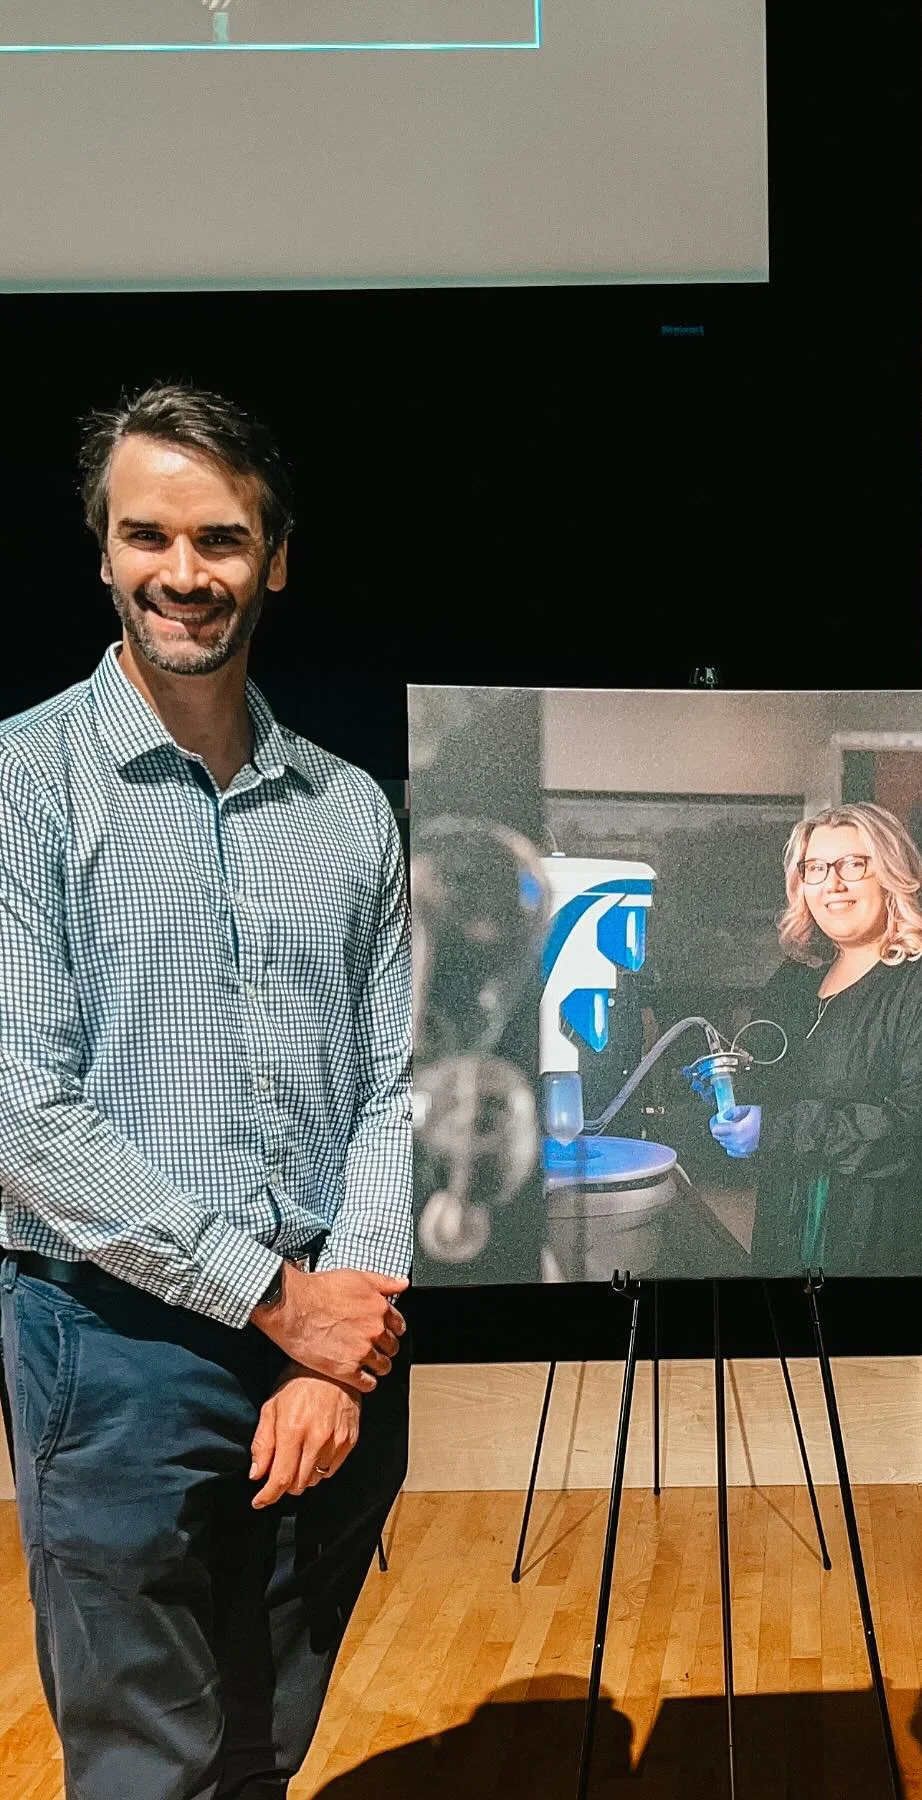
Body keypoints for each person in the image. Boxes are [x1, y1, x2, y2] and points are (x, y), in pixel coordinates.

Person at [0, 385, 413, 1799]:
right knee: (140, 1765)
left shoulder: (352, 812)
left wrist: (329, 1328)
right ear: (105, 554)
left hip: (326, 1345)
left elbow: (399, 1084)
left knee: (263, 1747)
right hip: (107, 1347)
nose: (186, 573)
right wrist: (278, 1303)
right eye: (149, 537)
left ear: (276, 557)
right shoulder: (21, 785)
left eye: (223, 538)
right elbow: (20, 1118)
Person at [697, 800, 922, 1277]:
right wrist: (726, 1091)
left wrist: (778, 1129)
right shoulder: (796, 979)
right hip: (793, 1234)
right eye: (815, 868)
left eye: (853, 865)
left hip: (889, 1244)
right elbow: (766, 1077)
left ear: (893, 875)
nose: (832, 883)